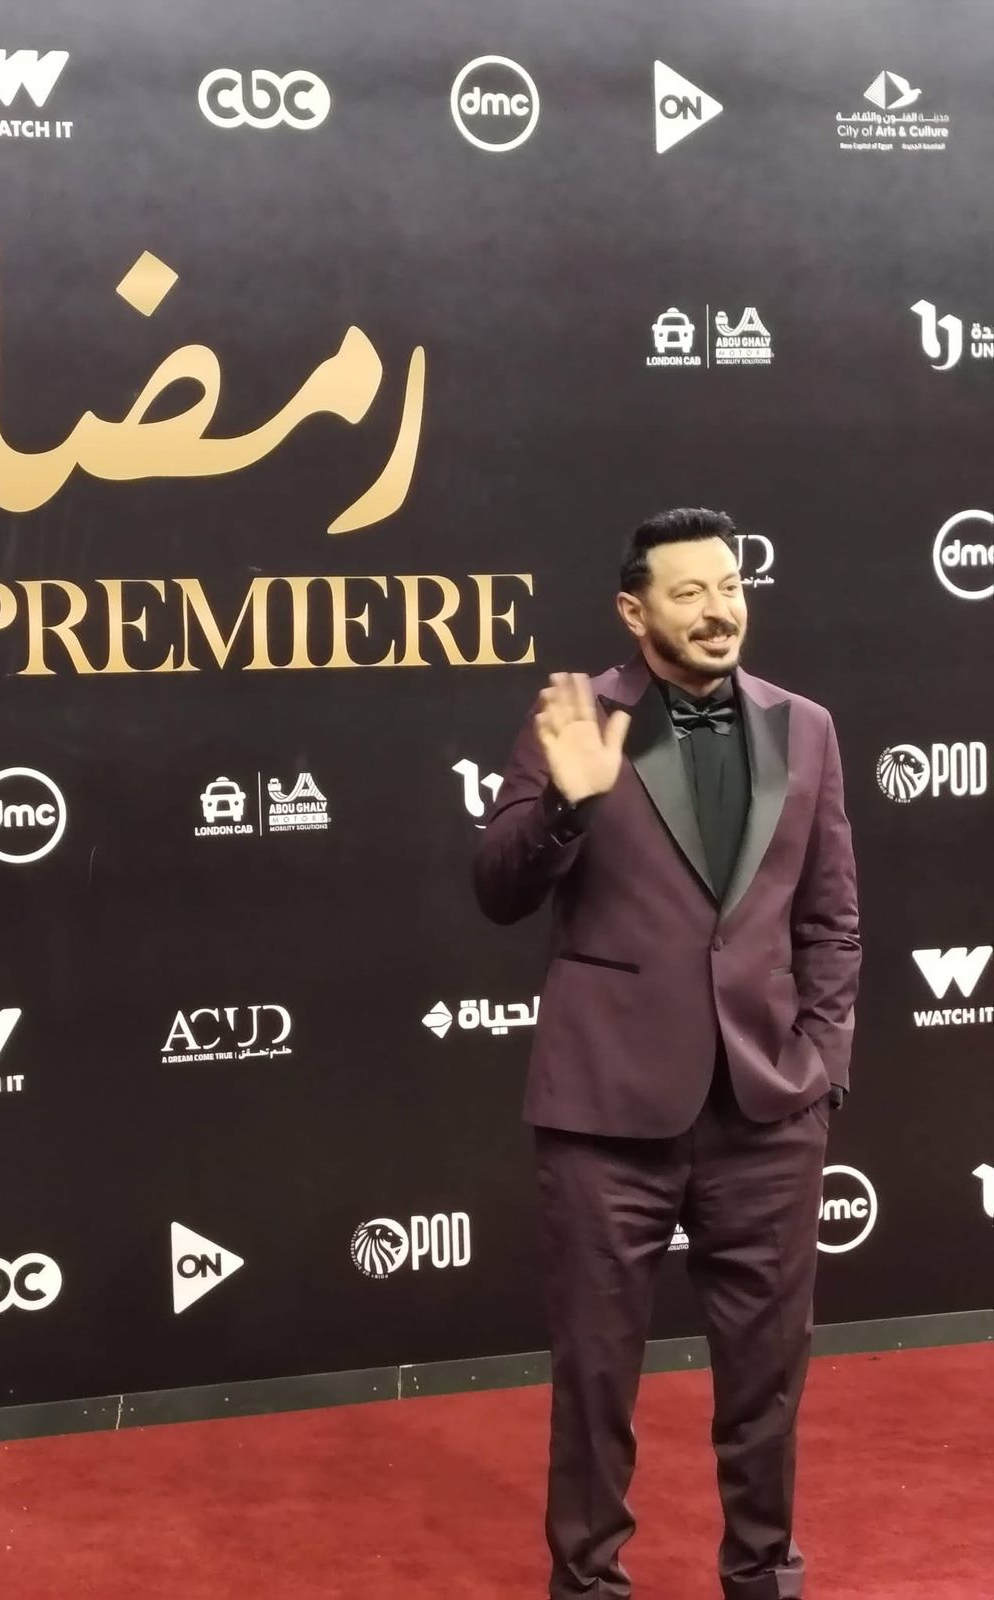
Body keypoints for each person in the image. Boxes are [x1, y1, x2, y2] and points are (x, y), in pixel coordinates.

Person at [474, 507, 861, 1600]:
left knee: (768, 1376)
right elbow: (498, 888)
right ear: (634, 612)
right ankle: (589, 1582)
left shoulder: (807, 728)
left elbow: (831, 919)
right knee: (596, 1375)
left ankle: (763, 1574)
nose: (718, 609)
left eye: (729, 587)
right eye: (688, 593)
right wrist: (568, 803)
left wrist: (821, 1066)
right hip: (606, 1113)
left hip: (767, 1108)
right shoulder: (578, 721)